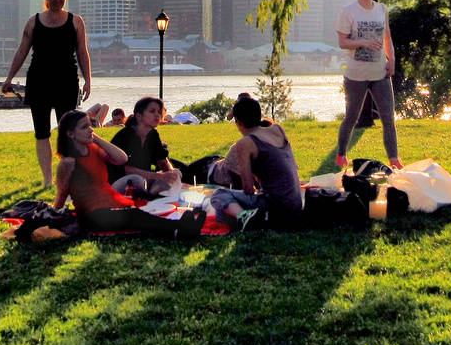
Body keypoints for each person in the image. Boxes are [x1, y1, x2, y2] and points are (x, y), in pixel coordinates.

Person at [51, 109, 206, 238]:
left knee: (139, 213)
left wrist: (97, 139)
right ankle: (181, 228)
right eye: (84, 127)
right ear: (71, 134)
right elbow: (62, 193)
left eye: (90, 125)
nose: (91, 129)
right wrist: (53, 218)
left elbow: (121, 158)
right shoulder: (68, 162)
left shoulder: (94, 149)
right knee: (135, 216)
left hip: (110, 200)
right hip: (92, 213)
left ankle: (183, 227)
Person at [3, 0, 94, 187]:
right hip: (39, 82)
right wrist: (9, 78)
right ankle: (47, 179)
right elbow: (21, 52)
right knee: (41, 131)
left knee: (68, 132)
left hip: (67, 81)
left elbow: (82, 52)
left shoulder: (76, 21)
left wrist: (88, 80)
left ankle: (69, 175)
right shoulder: (34, 22)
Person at [208, 96, 306, 232]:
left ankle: (244, 217)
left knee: (219, 196)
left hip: (276, 206)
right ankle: (247, 217)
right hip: (295, 204)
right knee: (223, 211)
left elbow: (248, 188)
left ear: (238, 123)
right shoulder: (278, 129)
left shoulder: (245, 143)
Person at [334, 0, 401, 170]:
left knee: (388, 117)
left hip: (380, 73)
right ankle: (341, 154)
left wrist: (392, 60)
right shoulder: (348, 12)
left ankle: (394, 159)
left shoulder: (381, 9)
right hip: (356, 74)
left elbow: (387, 37)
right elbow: (342, 42)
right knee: (352, 116)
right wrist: (363, 42)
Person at [107, 96, 183, 195]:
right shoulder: (126, 135)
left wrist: (171, 173)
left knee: (177, 173)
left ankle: (149, 195)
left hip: (145, 179)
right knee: (137, 180)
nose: (157, 115)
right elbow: (127, 170)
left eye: (159, 112)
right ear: (139, 116)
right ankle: (150, 195)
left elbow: (163, 162)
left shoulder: (153, 134)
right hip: (119, 182)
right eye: (152, 111)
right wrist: (161, 176)